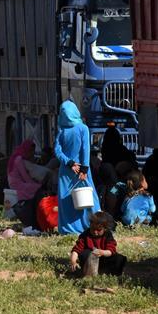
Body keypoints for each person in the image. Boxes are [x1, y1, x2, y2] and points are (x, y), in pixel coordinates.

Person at [54, 100, 100, 234]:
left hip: (66, 171)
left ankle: (67, 229)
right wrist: (84, 169)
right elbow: (86, 150)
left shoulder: (62, 130)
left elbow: (57, 151)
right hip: (82, 170)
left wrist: (69, 163)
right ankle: (95, 225)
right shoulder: (83, 128)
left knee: (66, 201)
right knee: (89, 198)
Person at [69, 211, 127, 277]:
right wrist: (73, 262)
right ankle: (89, 273)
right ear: (90, 225)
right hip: (89, 261)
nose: (95, 232)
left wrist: (102, 252)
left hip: (104, 259)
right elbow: (76, 250)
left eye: (99, 230)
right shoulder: (85, 235)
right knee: (85, 253)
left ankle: (109, 272)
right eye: (93, 229)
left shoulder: (107, 235)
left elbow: (111, 250)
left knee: (119, 258)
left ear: (105, 229)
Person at [7, 140, 43, 230]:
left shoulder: (17, 157)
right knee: (37, 188)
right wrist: (37, 184)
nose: (32, 154)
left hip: (14, 182)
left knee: (35, 187)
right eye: (31, 151)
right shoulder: (19, 160)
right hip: (17, 184)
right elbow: (25, 177)